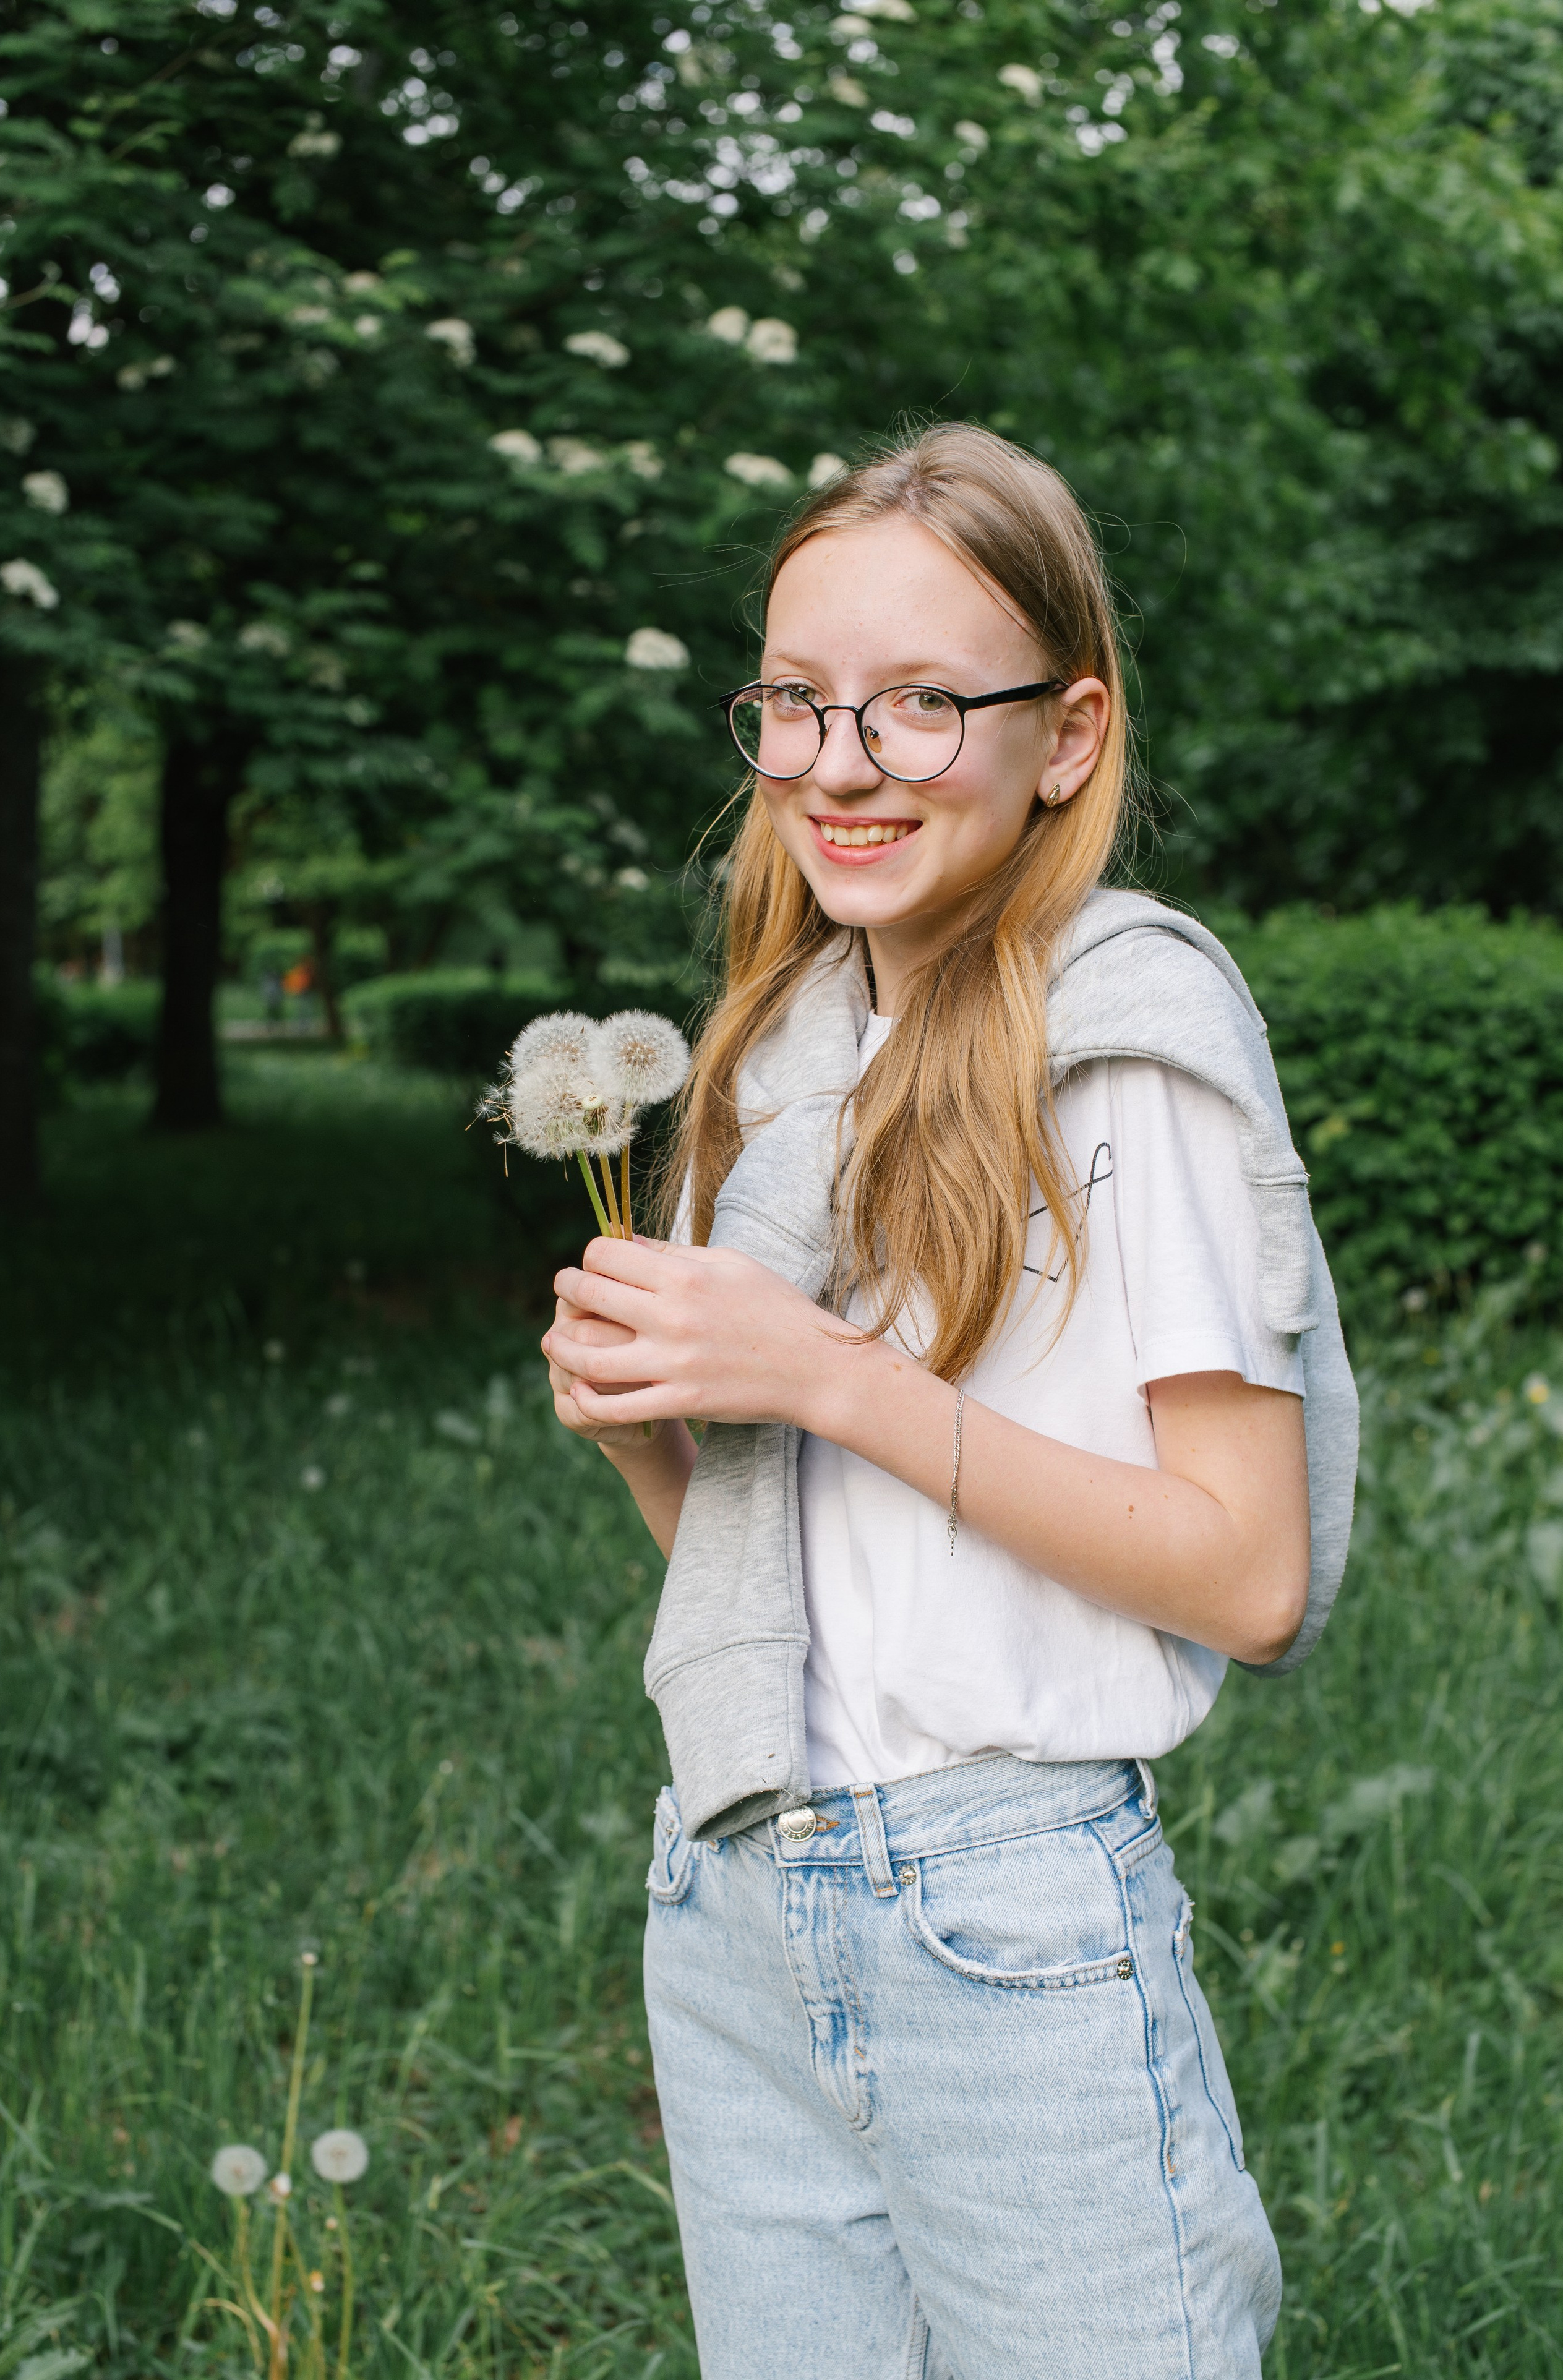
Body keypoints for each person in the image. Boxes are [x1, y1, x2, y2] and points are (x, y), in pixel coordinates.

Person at [541, 425, 1357, 2379]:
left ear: (1066, 734)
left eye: (921, 707)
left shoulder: (1129, 1042)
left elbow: (1247, 1579)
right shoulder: (799, 1042)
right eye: (799, 704)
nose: (839, 765)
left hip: (1005, 1920)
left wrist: (825, 1375)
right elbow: (798, 1569)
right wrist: (667, 1427)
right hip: (736, 1883)